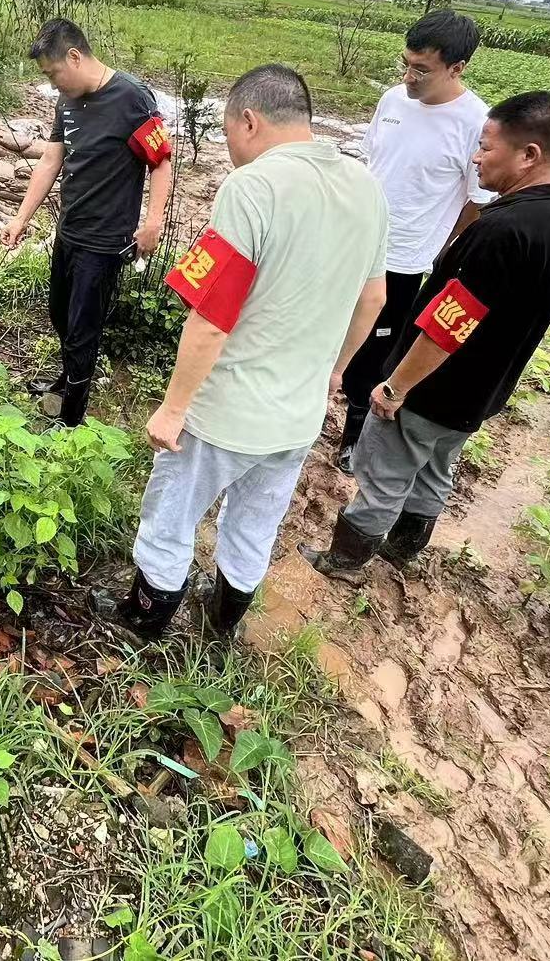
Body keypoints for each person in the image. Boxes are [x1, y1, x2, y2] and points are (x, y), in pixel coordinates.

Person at [111, 64, 390, 642]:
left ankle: (144, 623)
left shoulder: (252, 188)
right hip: (298, 413)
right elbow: (374, 297)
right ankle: (221, 624)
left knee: (170, 515)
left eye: (229, 132)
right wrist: (335, 371)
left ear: (248, 120)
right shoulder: (366, 187)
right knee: (255, 524)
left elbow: (211, 317)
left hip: (226, 410)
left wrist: (174, 406)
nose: (233, 148)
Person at [303, 90, 550, 581]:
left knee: (384, 473)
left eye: (486, 147)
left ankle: (348, 561)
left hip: (434, 388)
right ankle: (404, 548)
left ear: (529, 155)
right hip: (486, 389)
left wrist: (396, 387)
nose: (475, 158)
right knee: (436, 469)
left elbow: (447, 326)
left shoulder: (502, 231)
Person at [337, 10, 492, 474]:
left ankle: (354, 438)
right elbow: (372, 161)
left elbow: (477, 200)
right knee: (332, 329)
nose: (409, 76)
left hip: (404, 259)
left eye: (422, 69)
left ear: (457, 67)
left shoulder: (476, 122)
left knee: (376, 351)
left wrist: (444, 250)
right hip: (354, 243)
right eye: (406, 63)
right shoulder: (392, 100)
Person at [3, 19, 173, 426]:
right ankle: (67, 381)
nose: (53, 84)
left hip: (105, 239)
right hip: (70, 229)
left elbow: (161, 159)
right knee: (60, 313)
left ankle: (72, 417)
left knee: (83, 326)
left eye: (53, 73)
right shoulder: (68, 102)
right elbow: (51, 160)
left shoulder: (132, 98)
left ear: (75, 57)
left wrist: (153, 221)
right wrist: (21, 218)